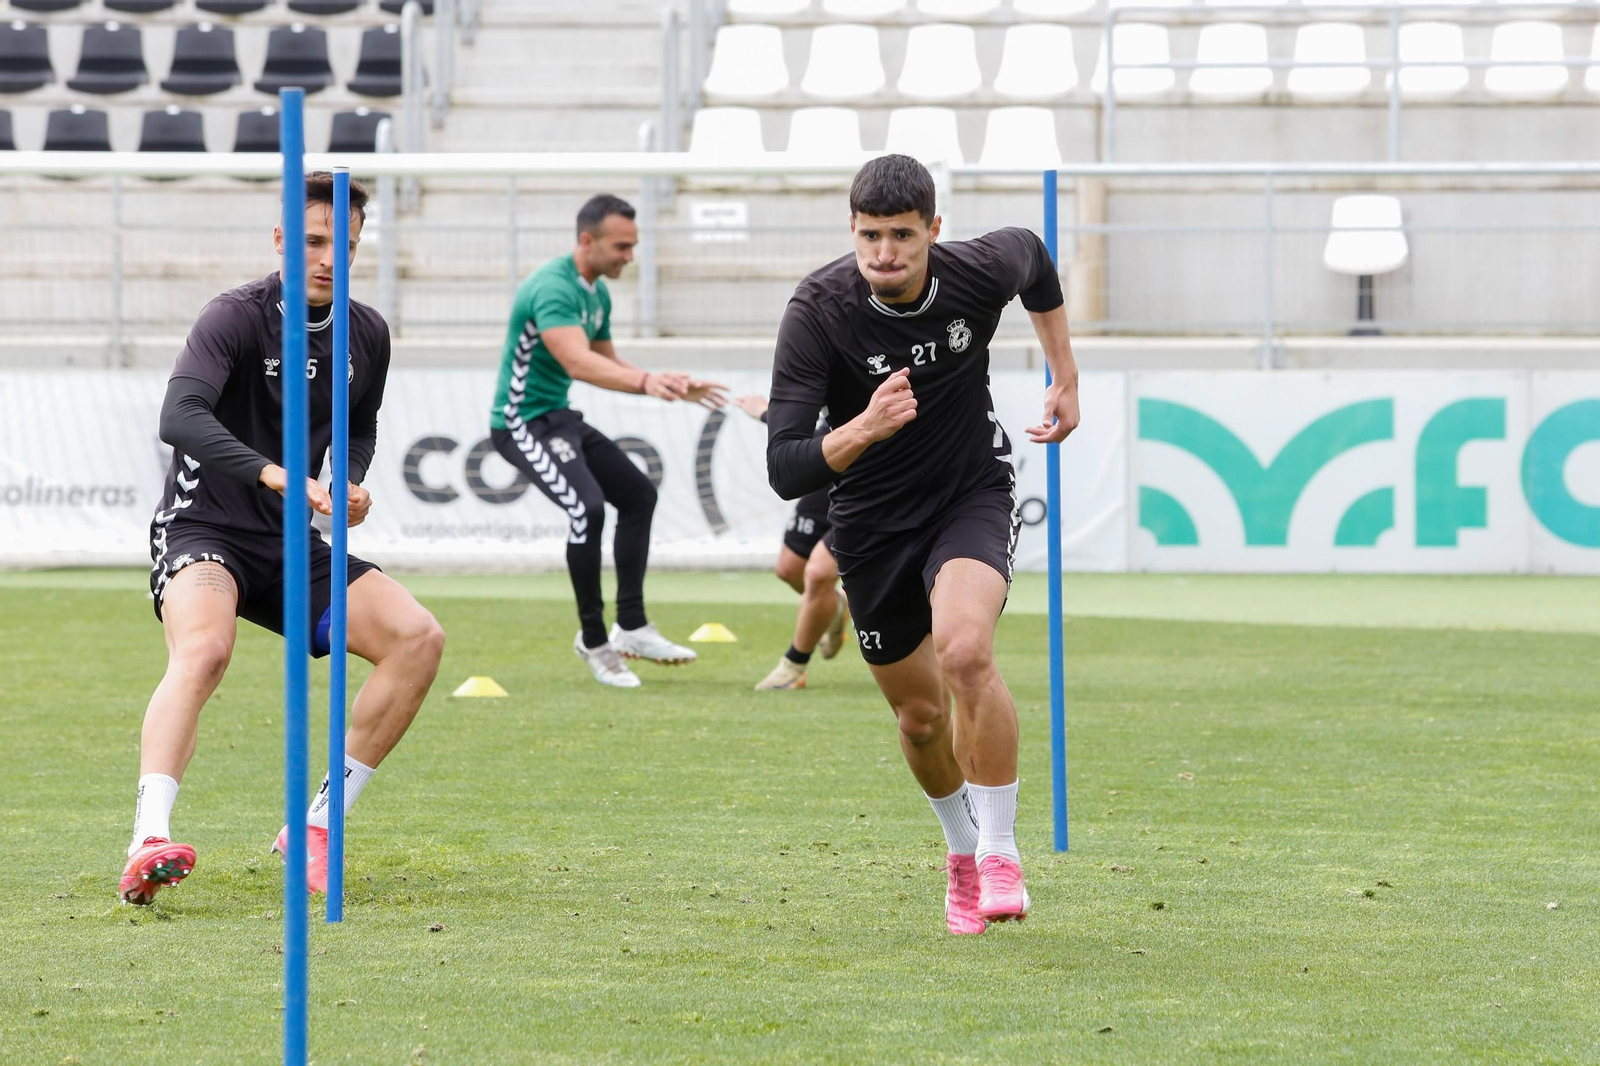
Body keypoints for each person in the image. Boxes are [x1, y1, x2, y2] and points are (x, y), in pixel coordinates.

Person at [765, 155, 1081, 935]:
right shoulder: (819, 310)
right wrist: (862, 428)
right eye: (870, 235)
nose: (884, 254)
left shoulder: (979, 267)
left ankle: (1003, 852)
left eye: (902, 235)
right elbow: (783, 467)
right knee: (919, 720)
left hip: (969, 492)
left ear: (934, 231)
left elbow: (1036, 262)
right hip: (870, 527)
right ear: (852, 230)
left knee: (966, 653)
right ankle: (962, 851)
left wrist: (1064, 374)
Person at [123, 172, 446, 906]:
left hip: (291, 545)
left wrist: (351, 479)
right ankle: (148, 838)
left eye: (346, 246)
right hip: (204, 528)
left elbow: (357, 422)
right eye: (314, 241)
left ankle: (318, 828)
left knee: (418, 638)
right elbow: (180, 416)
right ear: (281, 241)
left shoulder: (367, 331)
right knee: (204, 650)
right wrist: (274, 473)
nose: (331, 257)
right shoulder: (234, 316)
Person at [489, 194, 728, 688]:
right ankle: (595, 640)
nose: (629, 257)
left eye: (633, 246)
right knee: (588, 510)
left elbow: (606, 360)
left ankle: (633, 626)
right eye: (621, 246)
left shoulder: (595, 293)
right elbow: (578, 362)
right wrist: (645, 384)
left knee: (639, 495)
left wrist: (667, 383)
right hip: (520, 421)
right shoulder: (552, 287)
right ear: (586, 241)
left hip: (558, 418)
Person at [732, 394, 849, 690]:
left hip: (876, 475)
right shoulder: (822, 352)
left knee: (819, 573)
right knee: (789, 568)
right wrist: (766, 414)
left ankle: (793, 666)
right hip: (833, 454)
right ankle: (836, 607)